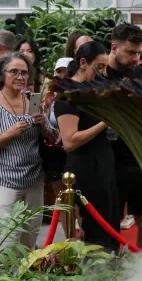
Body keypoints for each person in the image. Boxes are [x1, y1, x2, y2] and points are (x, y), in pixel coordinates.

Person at [0, 53, 50, 250]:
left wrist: (44, 126)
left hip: (33, 179)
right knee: (5, 243)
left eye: (24, 73)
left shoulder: (32, 101)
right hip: (2, 181)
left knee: (29, 242)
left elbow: (55, 138)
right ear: (2, 74)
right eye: (14, 72)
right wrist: (9, 134)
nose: (20, 77)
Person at [55, 42, 119, 250]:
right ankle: (96, 277)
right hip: (85, 168)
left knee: (111, 225)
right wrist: (105, 122)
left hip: (105, 163)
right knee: (96, 231)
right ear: (83, 63)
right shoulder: (67, 96)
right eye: (98, 67)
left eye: (104, 68)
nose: (101, 73)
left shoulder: (94, 91)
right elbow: (70, 141)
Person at [104, 23, 142, 249]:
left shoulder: (141, 74)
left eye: (139, 53)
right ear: (114, 48)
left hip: (139, 159)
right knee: (107, 223)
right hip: (108, 160)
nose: (136, 58)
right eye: (131, 52)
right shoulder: (98, 75)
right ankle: (108, 272)